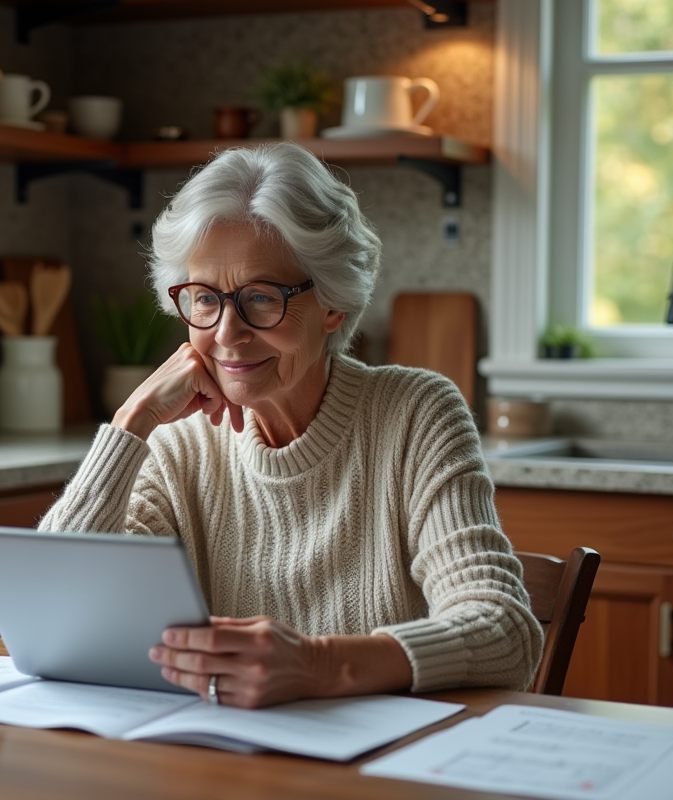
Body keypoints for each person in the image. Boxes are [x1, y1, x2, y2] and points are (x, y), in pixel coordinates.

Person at [39, 142, 543, 708]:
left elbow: (504, 633)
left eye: (261, 297)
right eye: (205, 299)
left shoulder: (415, 415)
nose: (228, 332)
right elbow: (57, 611)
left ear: (332, 304)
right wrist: (133, 421)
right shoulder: (178, 443)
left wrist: (320, 664)